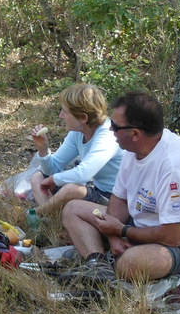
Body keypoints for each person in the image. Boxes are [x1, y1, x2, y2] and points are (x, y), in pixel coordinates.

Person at [60, 91, 180, 283]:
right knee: (73, 209)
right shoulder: (133, 149)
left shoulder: (175, 167)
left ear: (135, 134)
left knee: (130, 263)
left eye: (115, 127)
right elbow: (120, 197)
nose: (110, 131)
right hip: (142, 224)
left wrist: (122, 231)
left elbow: (172, 237)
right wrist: (114, 236)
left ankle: (111, 262)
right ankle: (97, 265)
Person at [28, 83, 123, 215]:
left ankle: (36, 214)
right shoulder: (78, 132)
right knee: (37, 177)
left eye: (65, 112)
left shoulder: (107, 135)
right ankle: (51, 219)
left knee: (72, 189)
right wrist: (43, 149)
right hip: (97, 190)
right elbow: (53, 168)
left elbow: (83, 174)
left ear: (83, 118)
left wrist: (54, 179)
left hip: (115, 199)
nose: (61, 115)